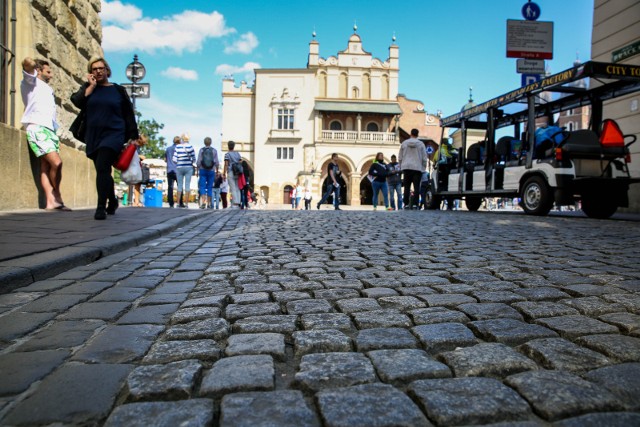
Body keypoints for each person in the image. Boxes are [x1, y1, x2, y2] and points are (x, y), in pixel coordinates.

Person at [70, 56, 142, 220]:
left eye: (101, 68)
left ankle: (100, 207)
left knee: (103, 165)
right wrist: (90, 87)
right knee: (103, 170)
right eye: (94, 69)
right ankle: (113, 200)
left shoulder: (117, 90)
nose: (98, 71)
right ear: (91, 73)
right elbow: (76, 101)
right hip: (93, 135)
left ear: (107, 70)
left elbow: (128, 113)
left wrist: (133, 136)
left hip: (114, 134)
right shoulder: (89, 89)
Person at [20, 57, 70, 211]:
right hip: (37, 128)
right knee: (57, 163)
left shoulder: (48, 89)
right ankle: (57, 195)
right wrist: (30, 63)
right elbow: (27, 66)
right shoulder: (31, 83)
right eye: (48, 71)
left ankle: (51, 202)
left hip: (49, 130)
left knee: (45, 166)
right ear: (39, 71)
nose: (51, 75)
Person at [398, 128, 426, 209]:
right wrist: (423, 168)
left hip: (406, 167)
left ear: (410, 134)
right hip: (417, 168)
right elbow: (424, 157)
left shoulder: (404, 143)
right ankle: (415, 204)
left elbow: (400, 157)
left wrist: (401, 166)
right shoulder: (421, 144)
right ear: (417, 134)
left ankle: (406, 204)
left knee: (407, 187)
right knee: (416, 187)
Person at [172, 133, 196, 208]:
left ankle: (178, 203)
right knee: (187, 185)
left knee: (179, 185)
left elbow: (174, 159)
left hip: (179, 167)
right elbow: (194, 159)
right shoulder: (190, 147)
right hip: (188, 167)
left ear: (182, 138)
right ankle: (186, 204)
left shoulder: (178, 147)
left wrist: (179, 161)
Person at [197, 137, 219, 209]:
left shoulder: (201, 150)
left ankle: (203, 202)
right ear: (211, 142)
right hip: (211, 171)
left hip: (202, 170)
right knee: (210, 187)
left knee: (202, 186)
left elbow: (198, 161)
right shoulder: (214, 150)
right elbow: (216, 162)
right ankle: (209, 204)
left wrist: (197, 170)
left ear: (204, 142)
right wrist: (217, 170)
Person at [223, 140, 242, 209]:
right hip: (237, 172)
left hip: (231, 171)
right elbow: (240, 161)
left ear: (228, 146)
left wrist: (224, 173)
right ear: (234, 146)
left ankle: (235, 203)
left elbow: (226, 164)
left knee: (233, 188)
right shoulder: (237, 154)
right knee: (237, 187)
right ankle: (239, 202)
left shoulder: (227, 154)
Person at [164, 136, 180, 208]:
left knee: (170, 187)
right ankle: (180, 202)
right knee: (180, 186)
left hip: (169, 169)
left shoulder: (168, 149)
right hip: (178, 170)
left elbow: (165, 159)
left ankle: (171, 203)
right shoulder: (179, 149)